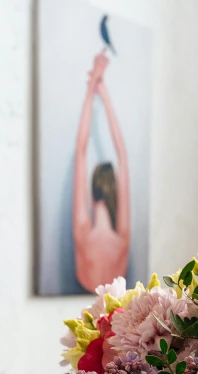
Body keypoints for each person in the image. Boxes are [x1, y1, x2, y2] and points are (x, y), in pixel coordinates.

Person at [73, 50, 130, 292]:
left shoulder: (82, 231)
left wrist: (91, 88)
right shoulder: (123, 237)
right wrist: (104, 94)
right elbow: (123, 155)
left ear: (93, 189)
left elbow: (81, 151)